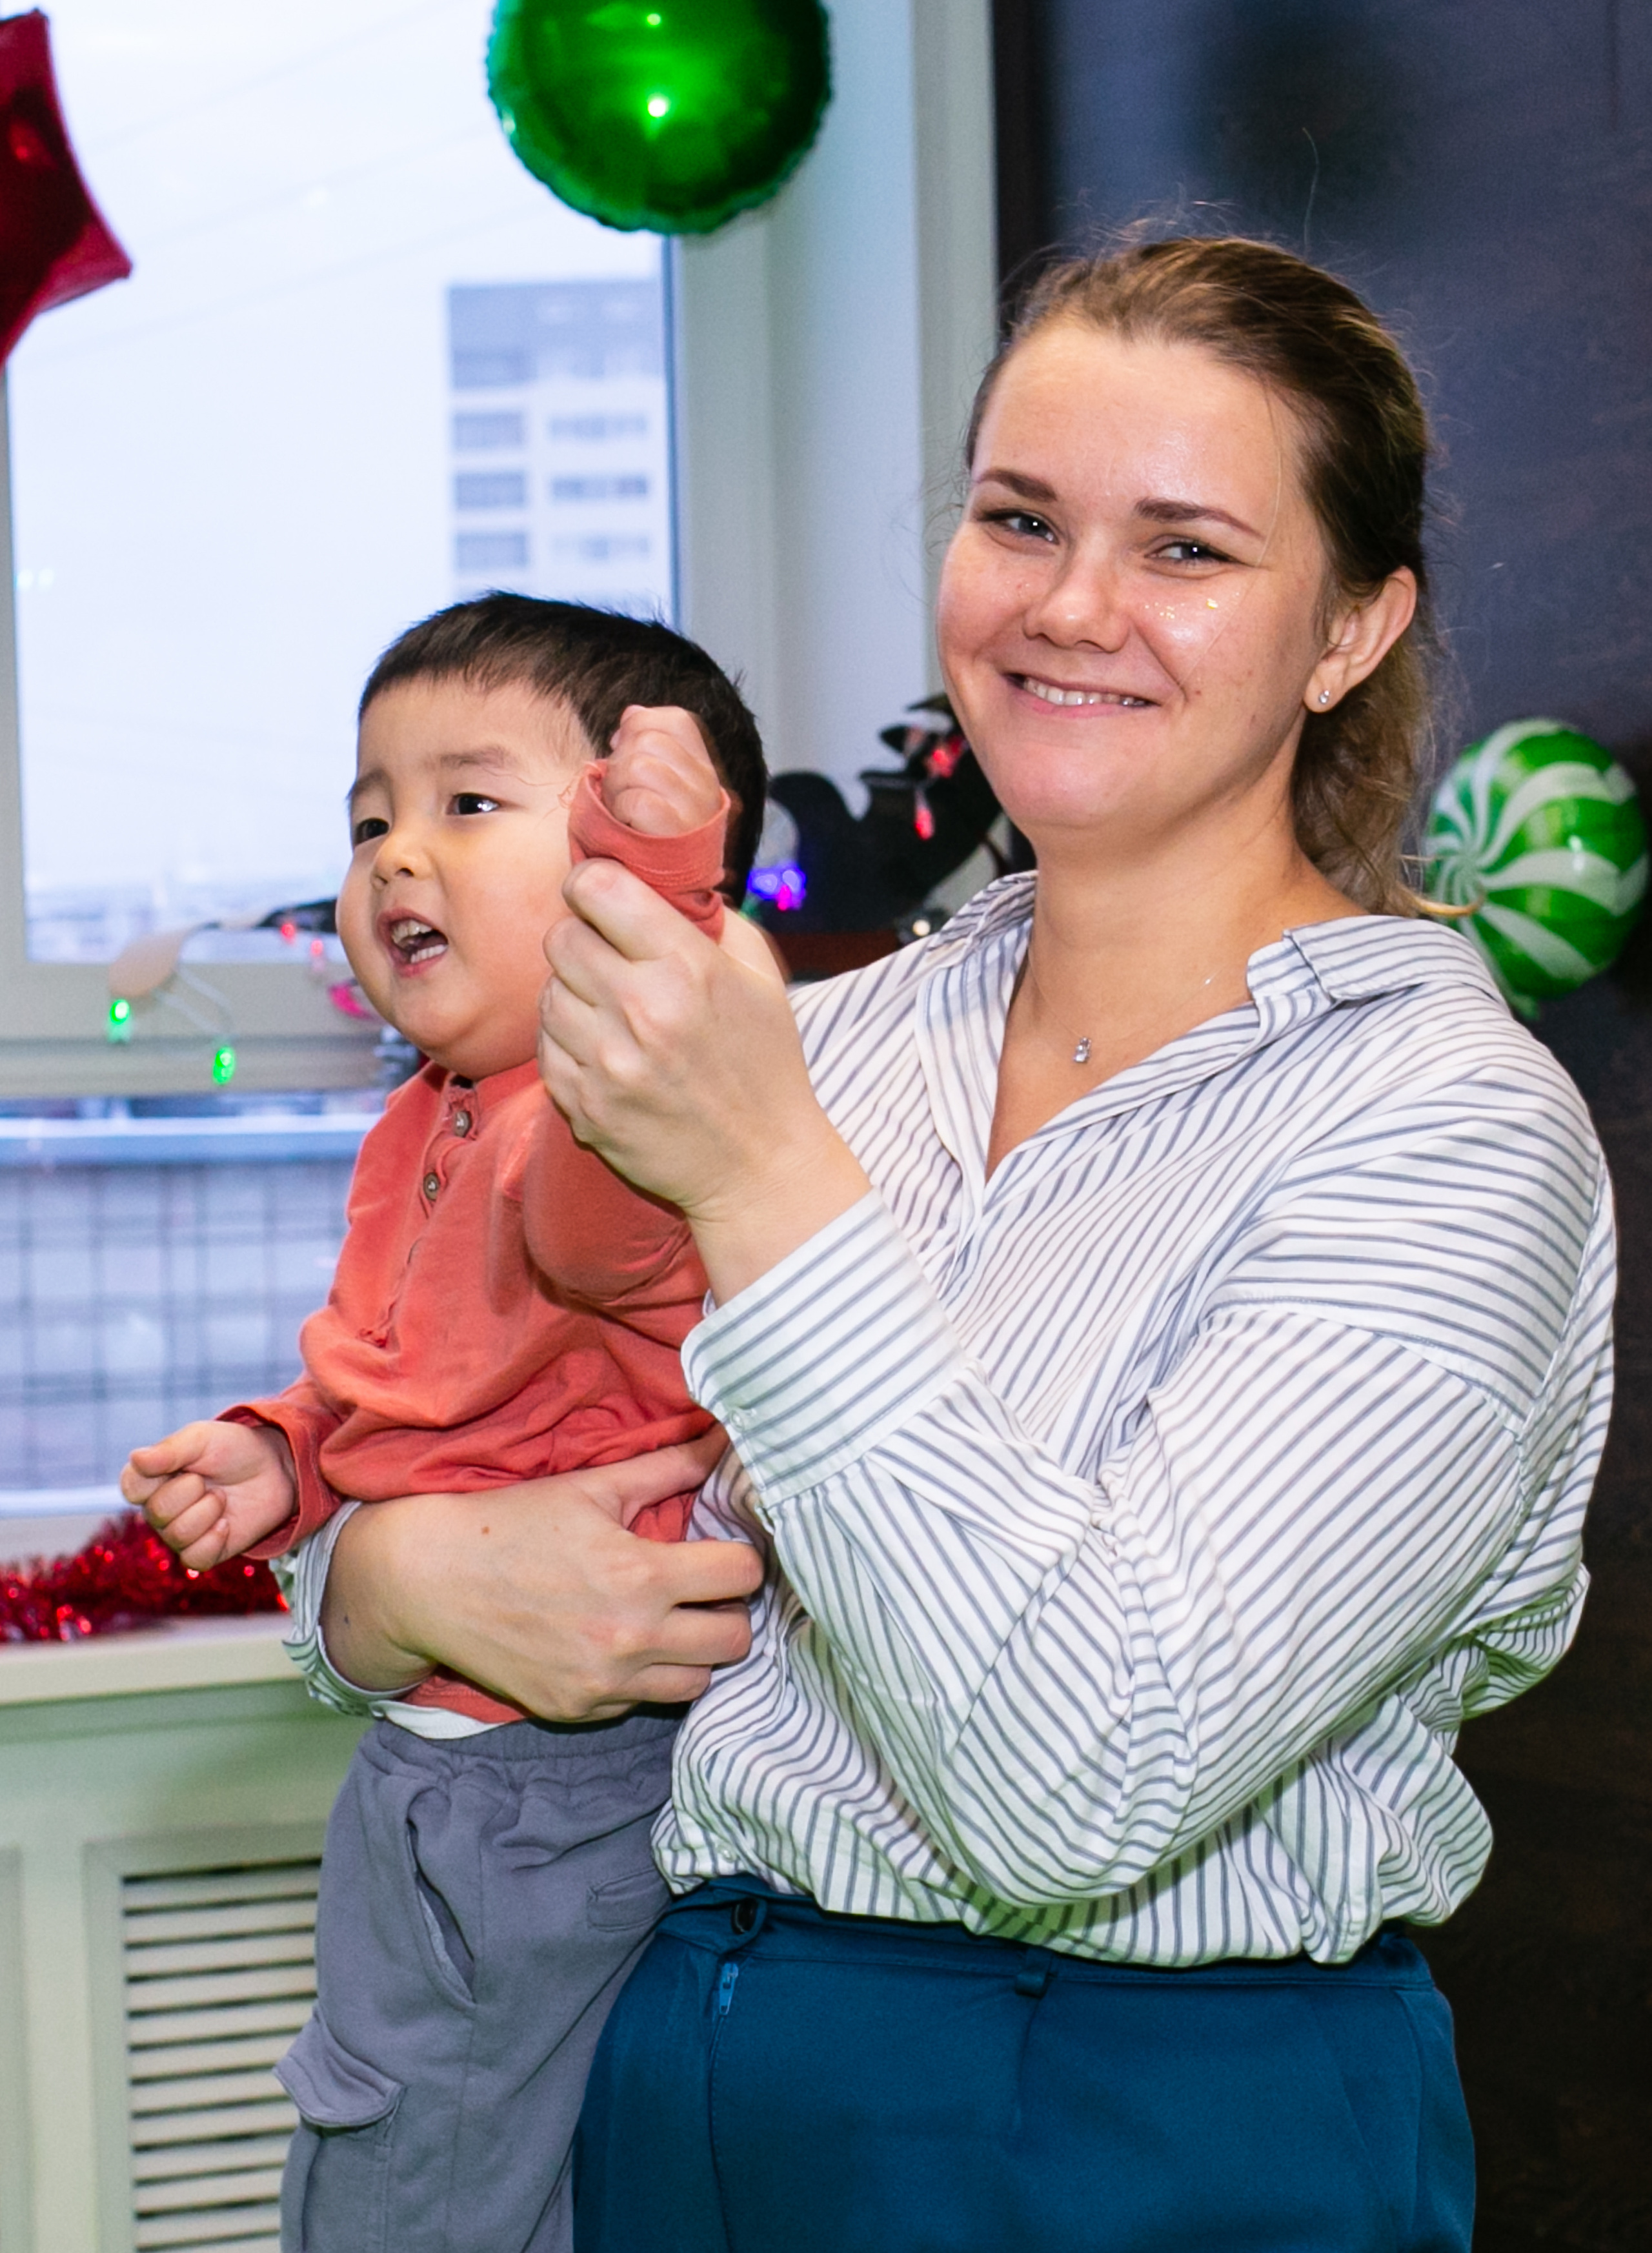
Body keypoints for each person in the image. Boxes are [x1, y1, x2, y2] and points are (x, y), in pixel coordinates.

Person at [292, 241, 1612, 2252]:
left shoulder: (1443, 1125)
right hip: (695, 2069)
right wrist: (386, 1582)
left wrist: (760, 1182)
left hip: (1149, 2121)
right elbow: (434, 1444)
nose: (1071, 605)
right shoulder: (829, 1038)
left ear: (1352, 626)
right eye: (1020, 519)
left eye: (1185, 549)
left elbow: (1084, 1780)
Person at [119, 594, 774, 2253]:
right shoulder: (425, 1116)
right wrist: (279, 1451)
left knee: (411, 2174)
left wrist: (656, 897)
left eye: (466, 804)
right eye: (369, 817)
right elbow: (388, 1381)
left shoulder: (601, 1113)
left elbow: (604, 1236)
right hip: (468, 1746)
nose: (397, 854)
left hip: (538, 1777)